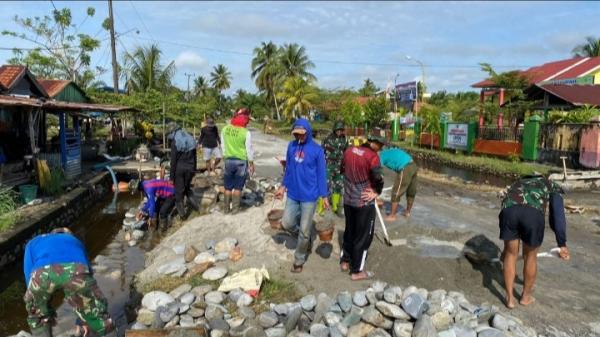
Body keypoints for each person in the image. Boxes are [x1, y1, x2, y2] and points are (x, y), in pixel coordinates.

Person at [23, 227, 114, 337]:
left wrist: (37, 301)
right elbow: (88, 275)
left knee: (38, 317)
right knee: (96, 314)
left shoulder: (34, 242)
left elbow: (29, 276)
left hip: (41, 274)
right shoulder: (75, 241)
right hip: (76, 270)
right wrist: (83, 318)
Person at [499, 174, 570, 309]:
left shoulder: (517, 182)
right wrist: (562, 243)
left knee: (510, 254)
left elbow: (506, 203)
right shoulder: (550, 184)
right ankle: (525, 297)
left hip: (509, 211)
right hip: (532, 214)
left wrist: (505, 249)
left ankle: (510, 299)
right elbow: (557, 214)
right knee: (530, 257)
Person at [275, 118, 329, 273]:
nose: (299, 137)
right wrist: (282, 187)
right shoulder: (291, 146)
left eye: (302, 134)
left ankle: (299, 259)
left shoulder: (317, 150)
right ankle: (305, 237)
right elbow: (289, 169)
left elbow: (321, 174)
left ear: (308, 132)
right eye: (296, 134)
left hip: (309, 196)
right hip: (293, 193)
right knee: (286, 223)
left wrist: (324, 196)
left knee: (305, 231)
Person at [340, 135, 386, 281]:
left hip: (348, 199)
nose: (381, 149)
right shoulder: (372, 157)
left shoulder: (349, 150)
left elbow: (342, 169)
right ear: (374, 143)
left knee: (350, 230)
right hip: (363, 202)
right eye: (381, 145)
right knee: (364, 236)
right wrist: (376, 191)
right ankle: (357, 271)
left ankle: (345, 261)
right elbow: (378, 177)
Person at [221, 108, 255, 214]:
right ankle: (235, 210)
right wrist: (251, 163)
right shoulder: (246, 132)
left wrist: (225, 157)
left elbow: (223, 146)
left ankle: (226, 209)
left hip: (228, 161)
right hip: (241, 162)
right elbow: (249, 150)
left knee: (227, 187)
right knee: (238, 187)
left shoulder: (225, 129)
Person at [168, 123, 199, 219]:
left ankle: (183, 215)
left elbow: (173, 161)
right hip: (190, 167)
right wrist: (194, 169)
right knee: (186, 188)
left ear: (173, 131)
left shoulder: (175, 142)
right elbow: (195, 156)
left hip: (179, 170)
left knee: (179, 192)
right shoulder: (190, 138)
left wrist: (171, 177)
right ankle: (197, 207)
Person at [379, 147, 418, 220]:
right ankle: (407, 212)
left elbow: (378, 172)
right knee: (411, 190)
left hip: (405, 167)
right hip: (413, 165)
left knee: (396, 191)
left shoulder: (381, 155)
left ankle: (392, 216)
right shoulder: (390, 150)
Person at [318, 121, 347, 216]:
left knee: (338, 186)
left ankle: (335, 206)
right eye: (338, 130)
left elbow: (346, 151)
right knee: (324, 186)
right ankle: (321, 208)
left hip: (339, 166)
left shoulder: (344, 139)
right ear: (334, 129)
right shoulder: (328, 138)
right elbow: (321, 151)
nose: (339, 132)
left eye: (341, 130)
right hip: (329, 165)